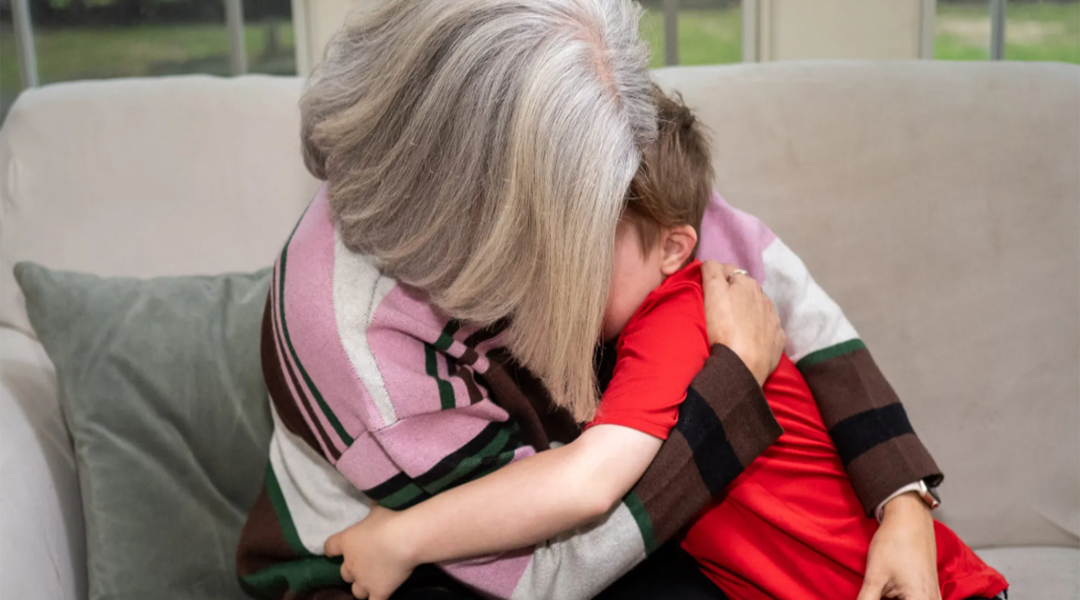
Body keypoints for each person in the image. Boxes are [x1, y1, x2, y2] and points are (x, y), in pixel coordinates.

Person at [236, 1, 947, 599]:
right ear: (481, 206)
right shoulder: (359, 344)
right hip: (409, 566)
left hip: (583, 494)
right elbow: (541, 572)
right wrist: (733, 384)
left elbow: (784, 294)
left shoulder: (590, 150)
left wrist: (903, 501)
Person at [323, 88, 1009, 600]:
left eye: (583, 243)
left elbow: (586, 482)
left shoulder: (682, 318)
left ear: (674, 247)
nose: (551, 270)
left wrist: (403, 536)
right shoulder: (633, 330)